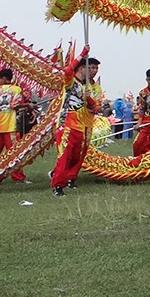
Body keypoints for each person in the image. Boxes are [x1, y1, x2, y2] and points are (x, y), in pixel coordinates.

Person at [51, 59, 102, 195]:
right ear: (81, 69)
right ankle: (58, 186)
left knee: (77, 156)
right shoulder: (71, 81)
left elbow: (96, 107)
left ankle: (67, 176)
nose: (93, 71)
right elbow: (67, 71)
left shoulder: (95, 88)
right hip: (67, 124)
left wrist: (89, 99)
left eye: (95, 68)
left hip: (84, 125)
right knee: (65, 155)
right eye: (89, 68)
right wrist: (82, 54)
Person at [0, 68, 29, 183]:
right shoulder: (16, 89)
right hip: (10, 127)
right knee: (14, 154)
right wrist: (28, 105)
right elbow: (16, 105)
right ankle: (18, 177)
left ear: (4, 79)